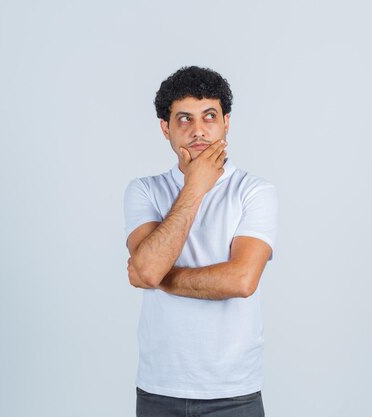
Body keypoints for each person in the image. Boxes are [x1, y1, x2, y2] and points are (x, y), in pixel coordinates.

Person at [123, 66, 278, 417]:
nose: (198, 131)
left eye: (209, 116)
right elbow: (146, 269)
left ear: (226, 122)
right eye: (184, 119)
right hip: (159, 389)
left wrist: (158, 277)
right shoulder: (144, 190)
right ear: (165, 128)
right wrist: (195, 186)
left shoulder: (255, 192)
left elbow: (241, 280)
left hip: (234, 392)